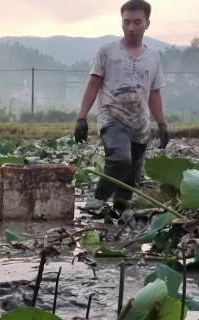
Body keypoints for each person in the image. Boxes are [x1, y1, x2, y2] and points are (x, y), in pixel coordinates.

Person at [74, 0, 169, 213]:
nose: (131, 28)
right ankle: (97, 202)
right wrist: (82, 117)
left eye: (137, 22)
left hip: (140, 124)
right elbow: (93, 84)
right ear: (121, 23)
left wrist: (162, 123)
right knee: (119, 158)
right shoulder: (107, 51)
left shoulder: (153, 57)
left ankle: (118, 215)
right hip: (112, 117)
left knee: (130, 179)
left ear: (147, 23)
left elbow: (154, 93)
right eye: (126, 22)